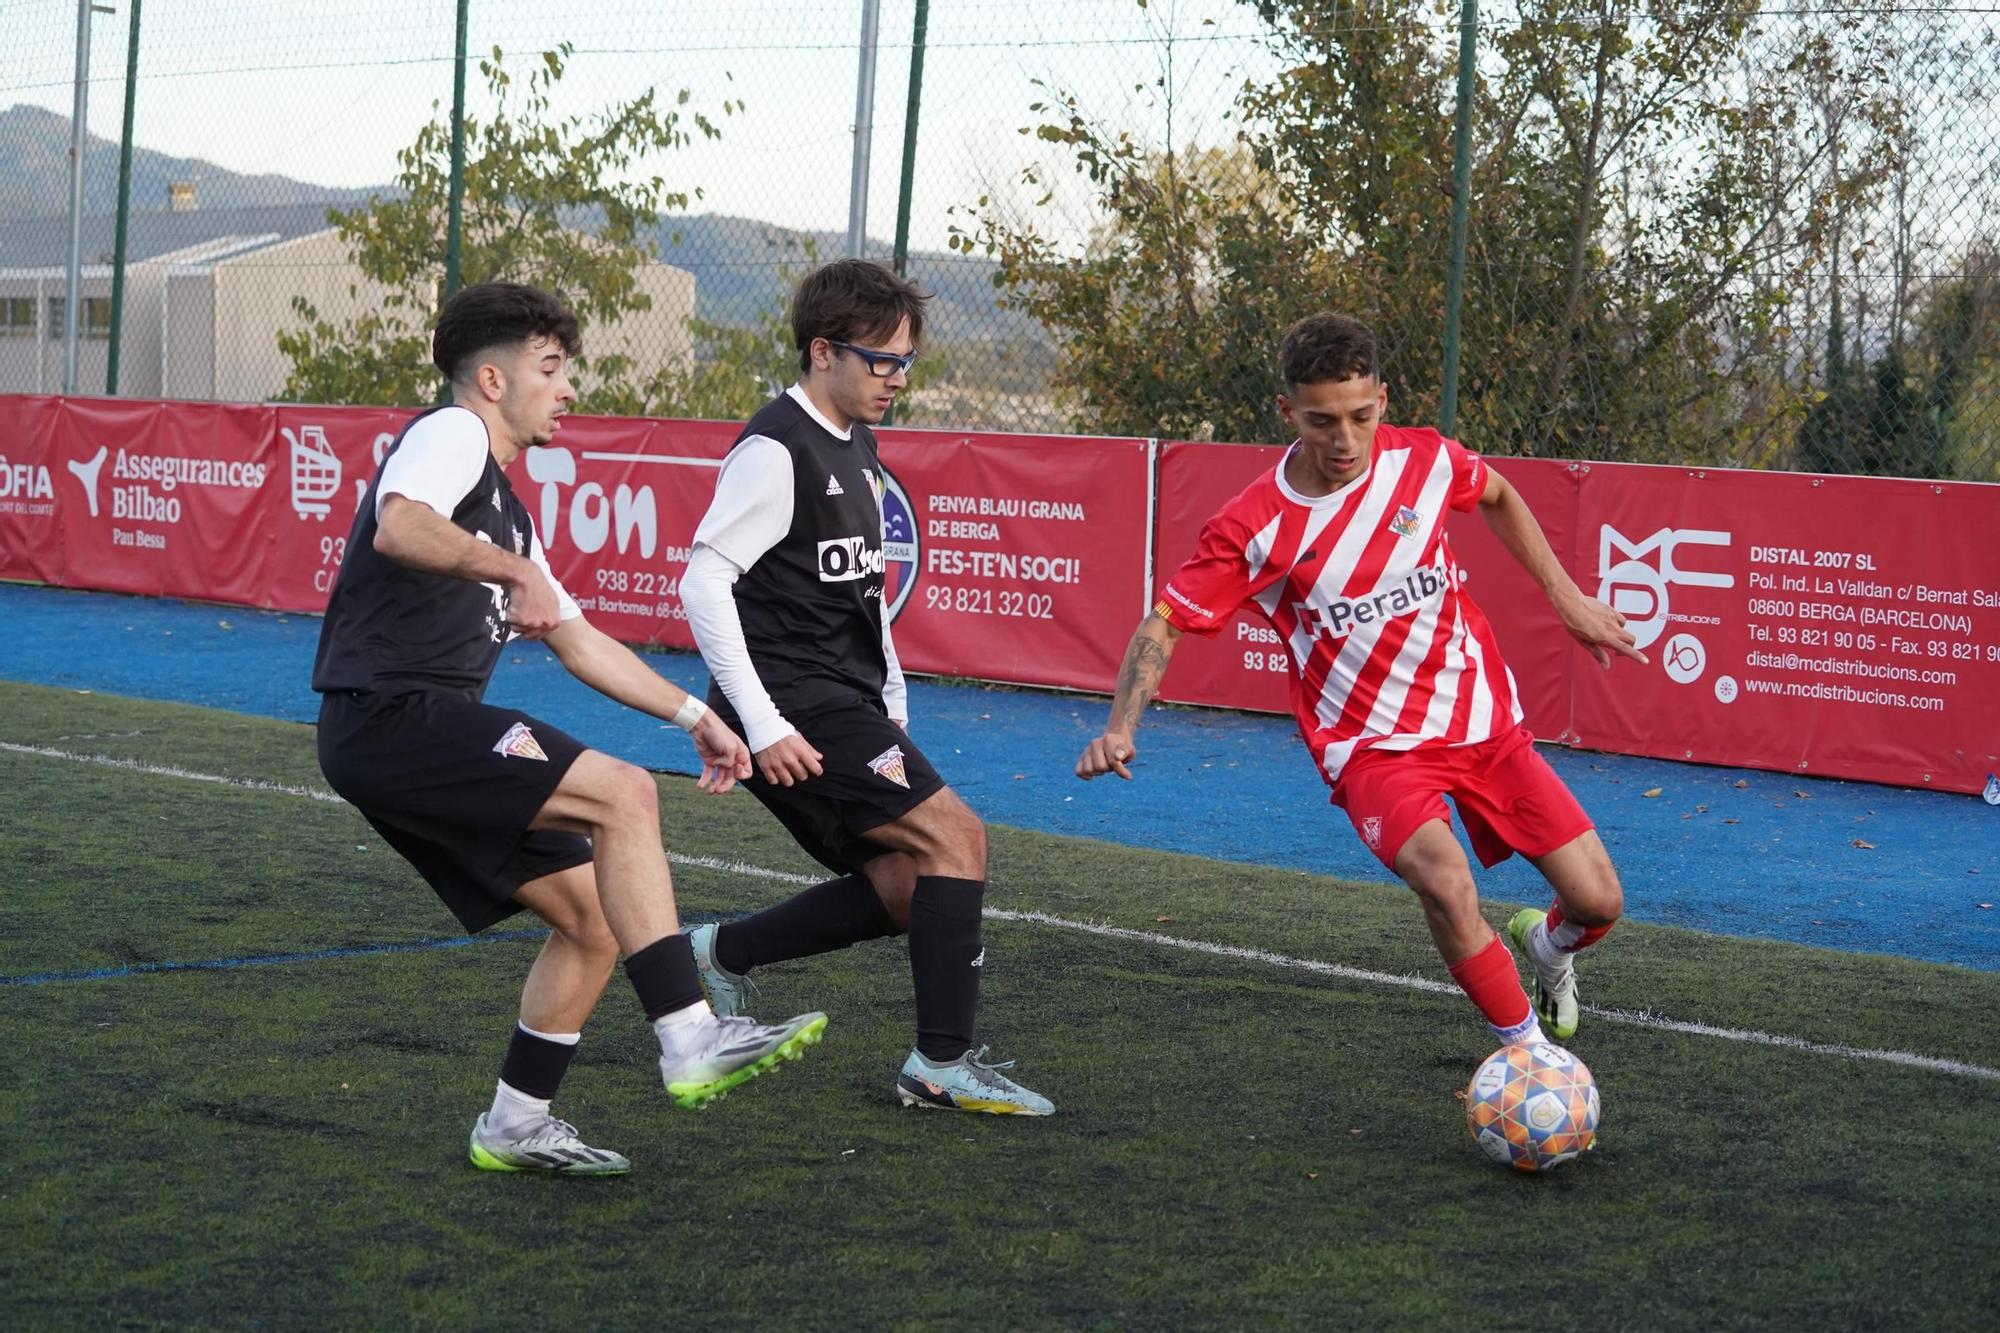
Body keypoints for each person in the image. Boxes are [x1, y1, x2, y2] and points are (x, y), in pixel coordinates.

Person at [312, 281, 826, 1177]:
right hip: (394, 716)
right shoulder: (451, 434)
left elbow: (580, 640)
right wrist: (511, 569)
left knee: (591, 918)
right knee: (623, 795)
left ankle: (514, 1123)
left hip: (411, 733)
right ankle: (689, 1034)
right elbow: (401, 527)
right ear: (490, 378)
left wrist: (698, 714)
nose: (566, 388)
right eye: (550, 368)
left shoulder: (506, 504)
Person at [1076, 313, 1643, 1049]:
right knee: (1445, 881)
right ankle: (1529, 1055)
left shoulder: (1426, 461)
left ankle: (1547, 948)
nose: (1344, 440)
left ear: (1383, 396)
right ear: (1287, 412)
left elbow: (1497, 494)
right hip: (1371, 746)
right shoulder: (1254, 525)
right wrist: (1121, 725)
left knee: (1599, 902)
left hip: (1481, 720)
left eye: (1360, 415)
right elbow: (1165, 623)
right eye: (1321, 421)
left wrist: (1565, 598)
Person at [678, 258, 1052, 1115]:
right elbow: (704, 583)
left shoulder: (858, 441)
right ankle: (939, 1065)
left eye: (905, 361)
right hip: (791, 701)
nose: (895, 378)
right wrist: (764, 723)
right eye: (879, 359)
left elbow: (865, 591)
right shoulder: (777, 448)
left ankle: (720, 953)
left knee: (905, 883)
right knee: (959, 839)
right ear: (821, 352)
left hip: (839, 697)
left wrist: (894, 700)